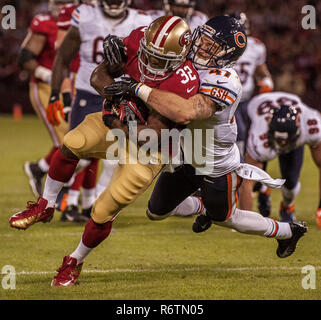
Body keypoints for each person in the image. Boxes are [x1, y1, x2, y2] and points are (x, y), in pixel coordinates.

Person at [9, 16, 200, 286]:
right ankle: (46, 204)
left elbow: (150, 135)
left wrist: (118, 116)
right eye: (148, 53)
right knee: (73, 141)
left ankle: (74, 261)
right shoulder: (138, 38)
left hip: (152, 148)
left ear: (178, 58)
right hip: (124, 121)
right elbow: (98, 76)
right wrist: (114, 94)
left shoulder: (184, 82)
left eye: (159, 60)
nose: (150, 62)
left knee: (103, 210)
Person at [108, 16, 308, 260]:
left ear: (227, 55)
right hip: (186, 153)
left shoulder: (226, 80)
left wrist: (136, 88)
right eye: (202, 39)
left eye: (211, 46)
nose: (201, 47)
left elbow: (185, 112)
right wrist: (119, 44)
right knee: (155, 212)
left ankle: (288, 231)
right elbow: (152, 46)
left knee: (227, 219)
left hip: (215, 162)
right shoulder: (185, 59)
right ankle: (202, 205)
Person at [45, 0, 153, 221]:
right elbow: (63, 57)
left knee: (115, 156)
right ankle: (56, 196)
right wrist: (56, 92)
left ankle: (87, 204)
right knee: (78, 152)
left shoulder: (142, 20)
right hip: (89, 91)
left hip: (123, 95)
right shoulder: (84, 14)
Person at [18, 0, 76, 198]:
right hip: (45, 87)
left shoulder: (81, 23)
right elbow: (24, 57)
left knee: (72, 137)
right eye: (57, 2)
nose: (60, 7)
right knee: (68, 141)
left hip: (71, 85)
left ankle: (39, 168)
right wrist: (47, 74)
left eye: (65, 3)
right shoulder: (44, 23)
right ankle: (62, 193)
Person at [237, 91, 321, 228]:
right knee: (248, 174)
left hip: (290, 136)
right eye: (280, 140)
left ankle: (287, 207)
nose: (283, 145)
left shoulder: (312, 124)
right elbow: (247, 181)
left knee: (291, 183)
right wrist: (244, 222)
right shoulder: (260, 134)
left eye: (286, 140)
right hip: (255, 118)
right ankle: (262, 188)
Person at [231, 12, 274, 217]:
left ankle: (258, 188)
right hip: (228, 102)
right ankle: (249, 192)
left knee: (254, 150)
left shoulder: (256, 46)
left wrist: (265, 89)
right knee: (238, 154)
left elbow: (263, 74)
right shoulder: (221, 44)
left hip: (248, 104)